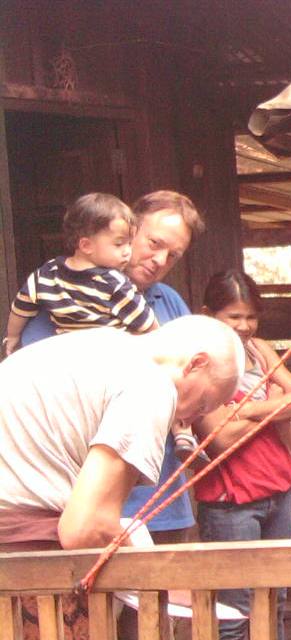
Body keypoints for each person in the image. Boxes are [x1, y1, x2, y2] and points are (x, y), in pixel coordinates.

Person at [18, 190, 207, 543]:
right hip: (83, 505)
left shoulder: (171, 302)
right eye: (154, 243)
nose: (159, 259)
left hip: (164, 501)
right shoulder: (61, 298)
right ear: (127, 229)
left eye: (173, 255)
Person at [0, 315, 244, 552]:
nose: (188, 419)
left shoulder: (96, 345)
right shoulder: (152, 385)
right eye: (202, 404)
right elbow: (85, 529)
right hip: (21, 545)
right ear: (196, 363)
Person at [191, 270, 291, 640]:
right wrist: (274, 405)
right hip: (232, 503)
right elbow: (221, 439)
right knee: (236, 612)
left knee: (275, 599)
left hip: (278, 489)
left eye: (251, 317)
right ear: (209, 313)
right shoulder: (198, 361)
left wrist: (247, 411)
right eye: (234, 317)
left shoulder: (260, 350)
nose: (244, 326)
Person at [4, 193, 157, 356]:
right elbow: (147, 324)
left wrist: (13, 336)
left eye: (129, 244)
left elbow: (20, 307)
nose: (127, 252)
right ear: (86, 245)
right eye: (119, 244)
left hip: (70, 358)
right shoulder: (114, 282)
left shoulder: (47, 274)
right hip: (111, 356)